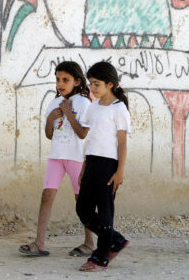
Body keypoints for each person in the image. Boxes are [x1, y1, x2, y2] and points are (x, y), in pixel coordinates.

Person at [19, 61, 95, 257]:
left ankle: (89, 242)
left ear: (77, 81)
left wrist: (69, 114)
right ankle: (39, 243)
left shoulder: (83, 103)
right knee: (46, 197)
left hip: (76, 157)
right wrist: (50, 119)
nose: (60, 84)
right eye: (58, 80)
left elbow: (83, 134)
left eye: (65, 80)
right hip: (56, 157)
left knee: (82, 201)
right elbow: (49, 134)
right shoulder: (54, 103)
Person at [76, 61, 130, 272]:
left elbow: (123, 142)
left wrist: (120, 172)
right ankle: (115, 240)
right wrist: (83, 168)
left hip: (109, 165)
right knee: (83, 209)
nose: (92, 88)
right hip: (92, 162)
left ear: (110, 84)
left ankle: (101, 257)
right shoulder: (93, 108)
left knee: (105, 211)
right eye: (91, 84)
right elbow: (90, 139)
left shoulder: (119, 109)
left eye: (97, 84)